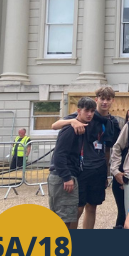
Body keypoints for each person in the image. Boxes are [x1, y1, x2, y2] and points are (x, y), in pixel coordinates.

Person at [52, 86, 123, 229]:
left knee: (92, 206)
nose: (104, 102)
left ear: (112, 101)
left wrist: (107, 172)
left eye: (108, 99)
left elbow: (109, 148)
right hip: (82, 168)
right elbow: (55, 125)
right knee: (77, 208)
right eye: (102, 99)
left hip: (99, 169)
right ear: (97, 99)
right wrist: (71, 121)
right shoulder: (86, 114)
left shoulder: (112, 122)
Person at [47, 97, 96, 229]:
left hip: (70, 174)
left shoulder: (82, 126)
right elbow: (59, 155)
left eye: (92, 111)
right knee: (63, 218)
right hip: (62, 176)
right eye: (87, 111)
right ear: (79, 111)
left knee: (68, 217)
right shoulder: (70, 128)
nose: (90, 114)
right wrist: (66, 177)